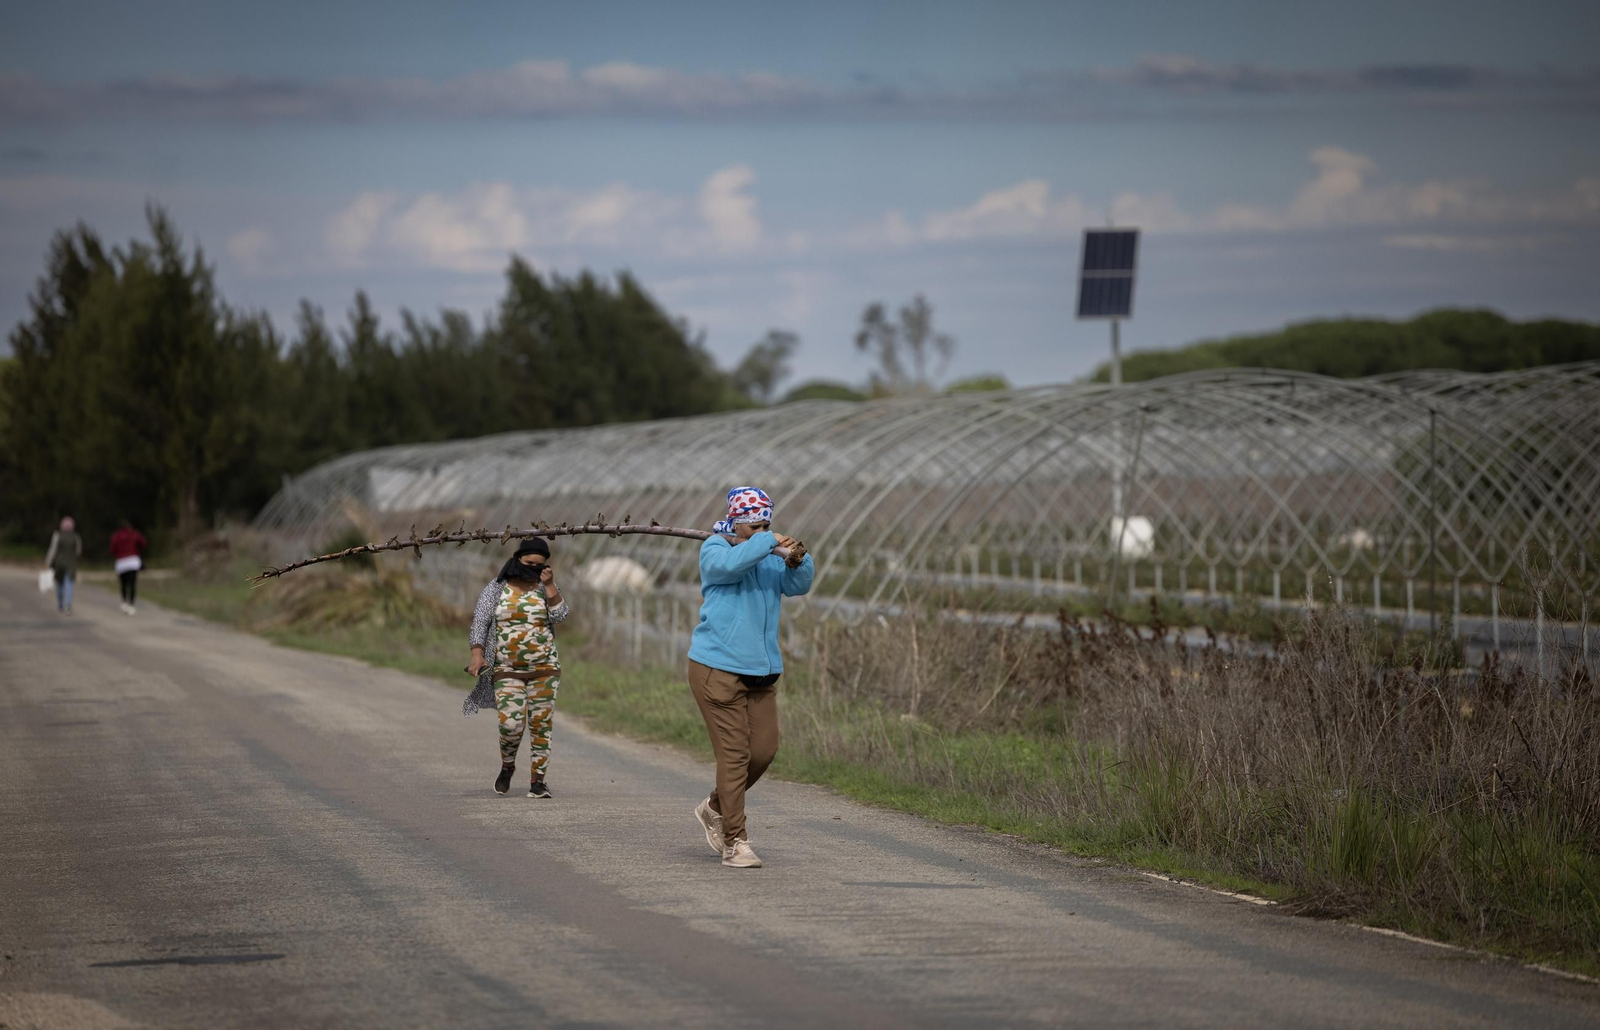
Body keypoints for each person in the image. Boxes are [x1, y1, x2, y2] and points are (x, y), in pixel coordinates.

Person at [687, 487, 813, 869]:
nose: (762, 530)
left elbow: (800, 585)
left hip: (760, 674)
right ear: (737, 523)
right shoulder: (715, 548)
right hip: (717, 669)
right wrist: (765, 544)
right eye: (754, 524)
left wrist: (796, 557)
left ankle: (714, 806)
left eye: (766, 524)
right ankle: (735, 842)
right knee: (735, 755)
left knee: (763, 751)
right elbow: (728, 568)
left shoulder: (769, 557)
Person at [467, 538, 571, 798]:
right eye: (528, 563)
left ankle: (538, 782)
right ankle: (508, 766)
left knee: (541, 725)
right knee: (510, 725)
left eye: (539, 565)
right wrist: (477, 655)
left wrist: (550, 586)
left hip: (545, 668)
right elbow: (480, 621)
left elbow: (560, 616)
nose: (533, 569)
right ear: (517, 560)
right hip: (507, 669)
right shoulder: (496, 588)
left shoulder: (544, 587)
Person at [43, 516, 83, 615]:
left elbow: (52, 550)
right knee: (69, 584)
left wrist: (47, 562)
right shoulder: (76, 537)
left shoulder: (57, 535)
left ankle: (60, 605)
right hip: (71, 564)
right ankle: (68, 605)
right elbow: (78, 551)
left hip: (59, 563)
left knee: (60, 584)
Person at [110, 519, 149, 615]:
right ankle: (131, 604)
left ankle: (124, 602)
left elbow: (112, 549)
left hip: (121, 563)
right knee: (132, 584)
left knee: (123, 584)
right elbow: (143, 543)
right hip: (132, 562)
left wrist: (118, 554)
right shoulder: (134, 534)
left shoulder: (116, 536)